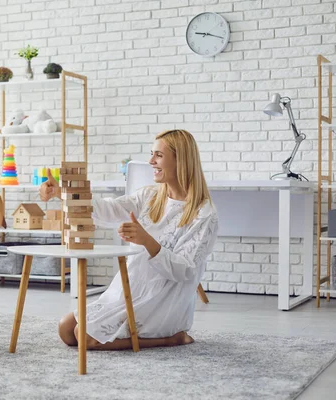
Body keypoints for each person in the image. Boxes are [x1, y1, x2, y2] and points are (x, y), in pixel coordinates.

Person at [40, 129, 219, 350]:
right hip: (132, 287)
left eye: (159, 156)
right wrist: (62, 193)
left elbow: (186, 271)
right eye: (152, 154)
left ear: (180, 160)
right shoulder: (150, 196)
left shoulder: (204, 214)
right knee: (66, 329)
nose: (151, 161)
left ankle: (171, 338)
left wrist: (147, 240)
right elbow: (108, 210)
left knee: (85, 338)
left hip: (161, 298)